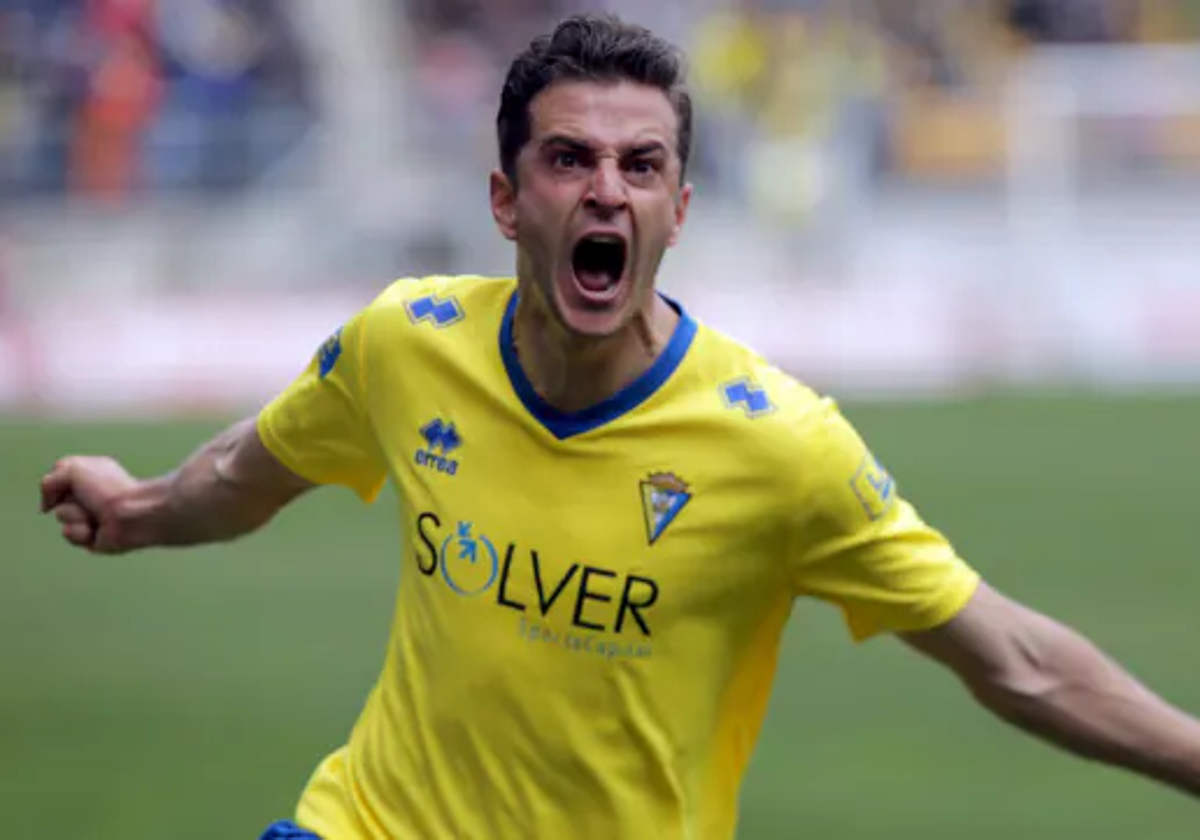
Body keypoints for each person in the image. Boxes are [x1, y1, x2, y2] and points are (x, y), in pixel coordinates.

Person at [38, 12, 1200, 840]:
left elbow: (1018, 660)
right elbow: (250, 469)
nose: (609, 190)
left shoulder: (780, 448)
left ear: (678, 210)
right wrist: (136, 509)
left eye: (642, 166)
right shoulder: (409, 342)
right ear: (506, 198)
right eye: (570, 159)